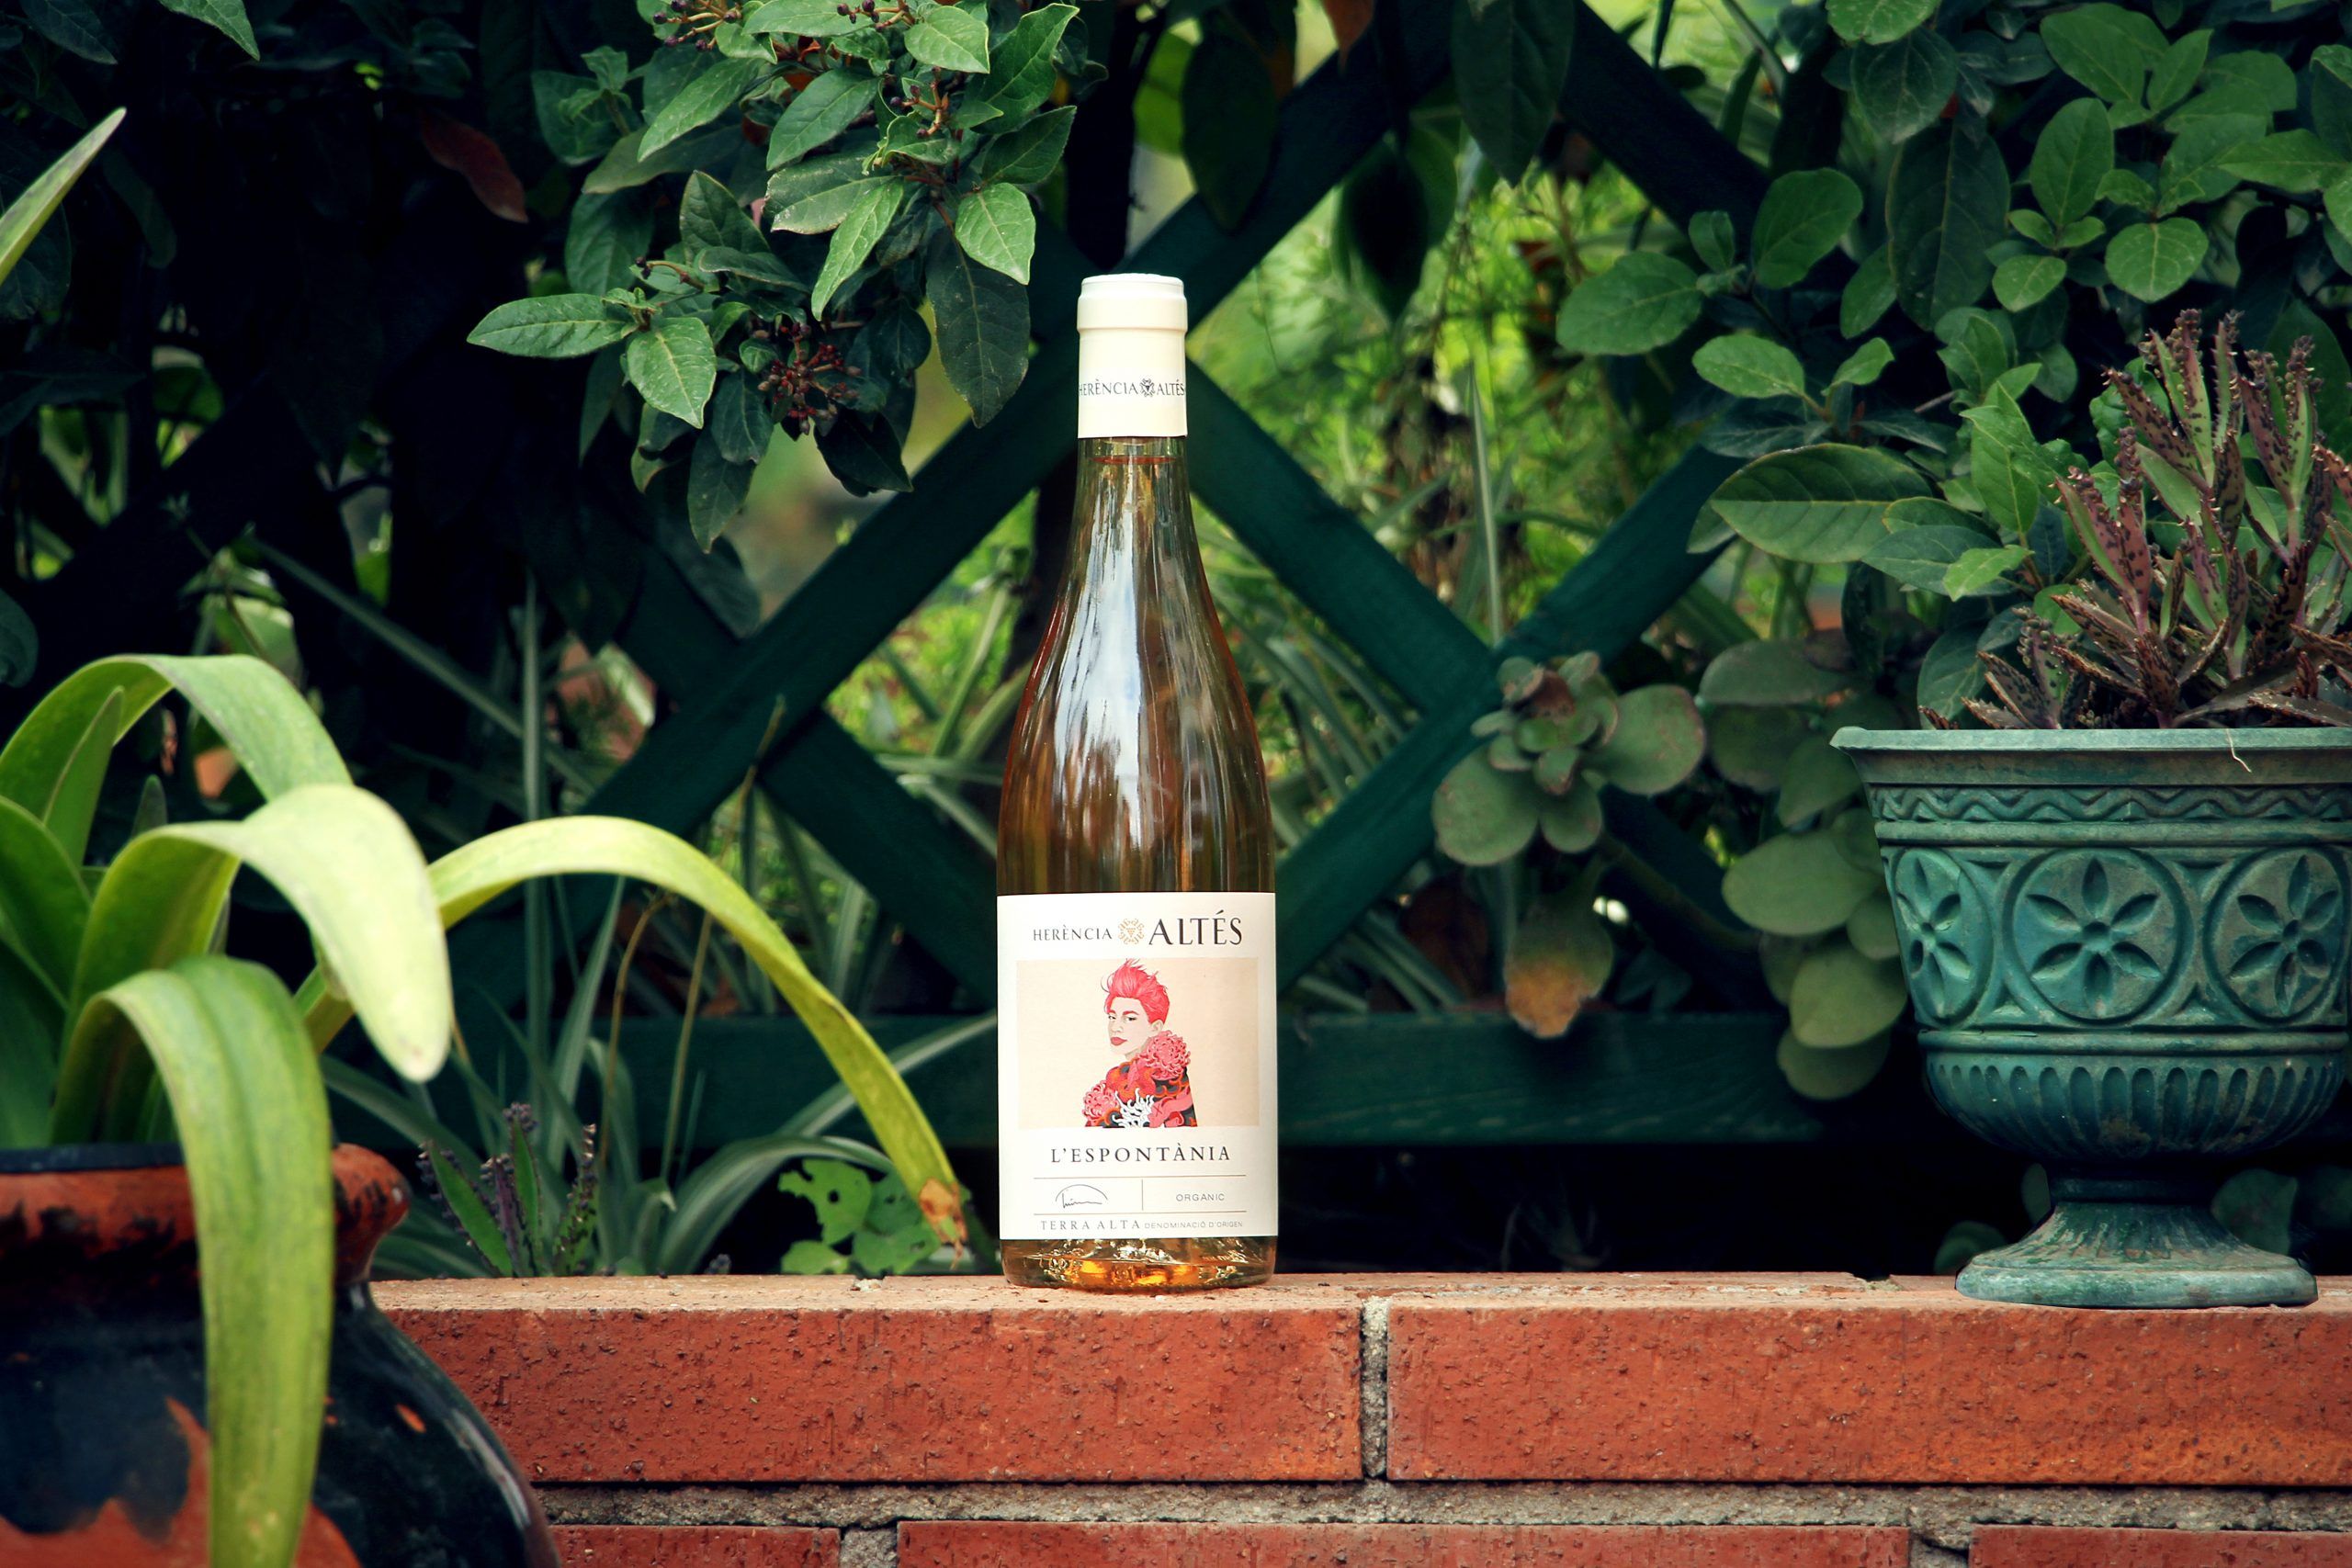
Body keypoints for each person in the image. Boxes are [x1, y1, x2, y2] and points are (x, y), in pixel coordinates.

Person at [1080, 960, 1197, 1128]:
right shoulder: (1117, 1082)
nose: (1115, 1027)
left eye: (1129, 1018)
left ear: (1155, 1027)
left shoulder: (1172, 1081)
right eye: (1112, 1017)